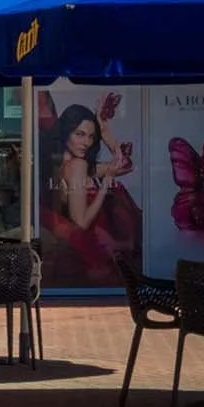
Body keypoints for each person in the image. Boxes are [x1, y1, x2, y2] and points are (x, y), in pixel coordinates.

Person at [42, 100, 140, 289]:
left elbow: (126, 165)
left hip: (98, 249)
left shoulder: (70, 165)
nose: (86, 142)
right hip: (96, 253)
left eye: (91, 136)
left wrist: (105, 132)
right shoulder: (77, 166)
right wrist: (105, 184)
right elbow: (81, 222)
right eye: (79, 134)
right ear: (66, 132)